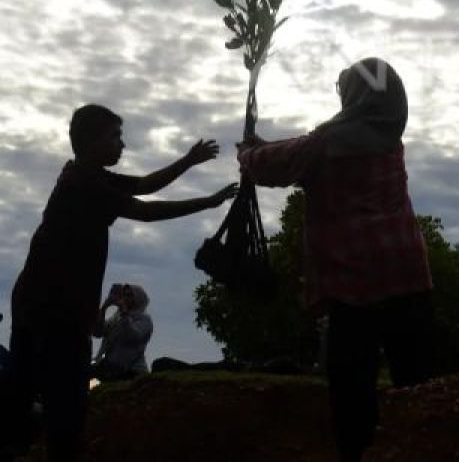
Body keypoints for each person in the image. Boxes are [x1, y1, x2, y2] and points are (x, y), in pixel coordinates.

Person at [0, 104, 236, 462]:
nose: (122, 145)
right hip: (50, 308)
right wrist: (208, 202)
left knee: (39, 400)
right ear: (91, 142)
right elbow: (143, 210)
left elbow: (144, 185)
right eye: (115, 137)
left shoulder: (89, 175)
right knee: (58, 407)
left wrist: (187, 161)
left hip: (47, 304)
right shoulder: (83, 183)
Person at [237, 57, 433, 462]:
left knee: (351, 391)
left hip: (353, 283)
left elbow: (275, 164)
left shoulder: (329, 144)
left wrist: (248, 153)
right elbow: (303, 146)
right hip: (407, 275)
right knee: (417, 382)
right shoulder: (389, 140)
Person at [90, 283, 153, 382]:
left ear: (138, 298)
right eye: (124, 295)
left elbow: (131, 336)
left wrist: (124, 312)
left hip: (132, 370)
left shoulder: (144, 319)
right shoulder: (117, 317)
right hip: (113, 367)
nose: (125, 298)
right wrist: (104, 308)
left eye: (129, 295)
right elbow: (98, 332)